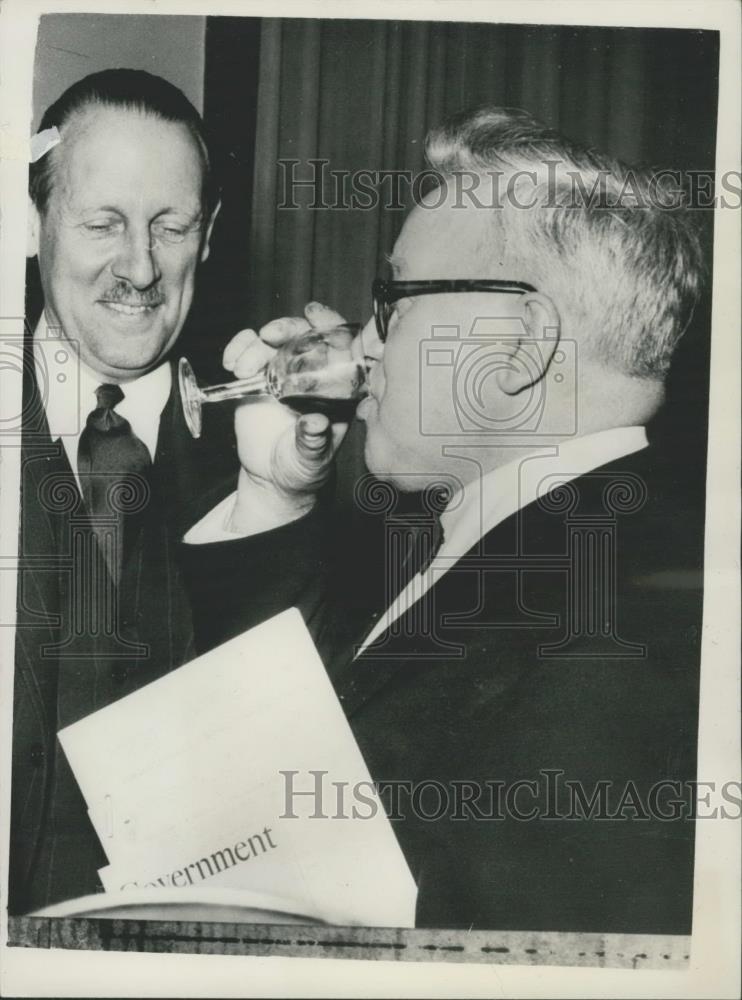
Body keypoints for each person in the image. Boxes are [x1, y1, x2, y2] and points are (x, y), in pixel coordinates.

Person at [182, 107, 707, 932]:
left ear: (525, 345)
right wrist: (274, 496)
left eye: (394, 300)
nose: (363, 348)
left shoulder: (614, 650)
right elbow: (294, 794)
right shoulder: (547, 555)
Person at [9, 69, 236, 913]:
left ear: (207, 234)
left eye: (170, 227)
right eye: (103, 223)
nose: (139, 268)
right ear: (32, 224)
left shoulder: (273, 461)